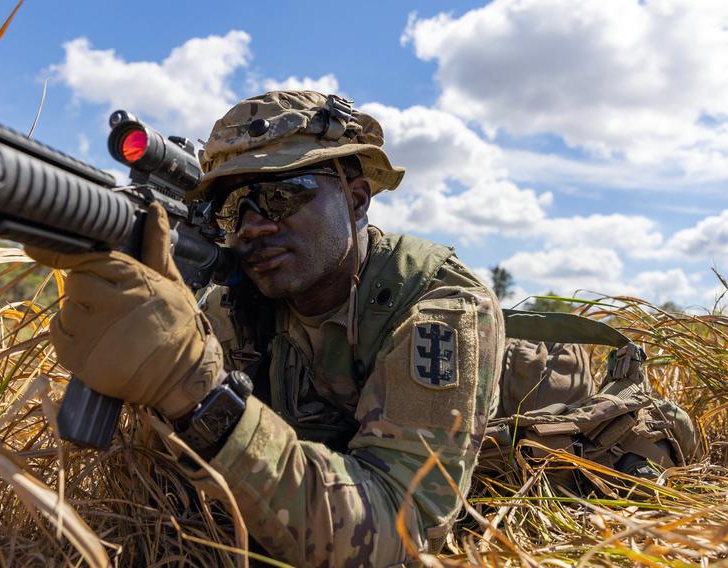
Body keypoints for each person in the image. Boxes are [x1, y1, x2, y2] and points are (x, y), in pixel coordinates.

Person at [28, 91, 504, 566]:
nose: (253, 227)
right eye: (233, 208)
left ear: (356, 200)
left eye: (281, 195)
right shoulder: (235, 307)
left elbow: (401, 538)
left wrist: (197, 393)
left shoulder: (441, 310)